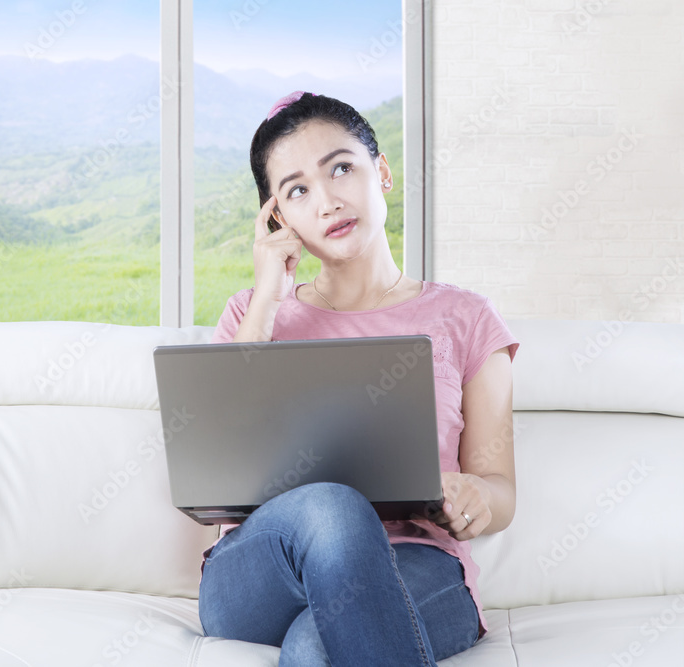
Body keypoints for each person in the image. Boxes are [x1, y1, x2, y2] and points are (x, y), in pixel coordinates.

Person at [197, 91, 521, 666]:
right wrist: (269, 293)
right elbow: (217, 469)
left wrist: (476, 497)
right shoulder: (250, 313)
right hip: (263, 572)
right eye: (297, 191)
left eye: (341, 168)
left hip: (415, 563)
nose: (327, 202)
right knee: (331, 506)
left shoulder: (467, 319)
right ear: (279, 218)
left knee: (316, 647)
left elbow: (499, 487)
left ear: (384, 173)